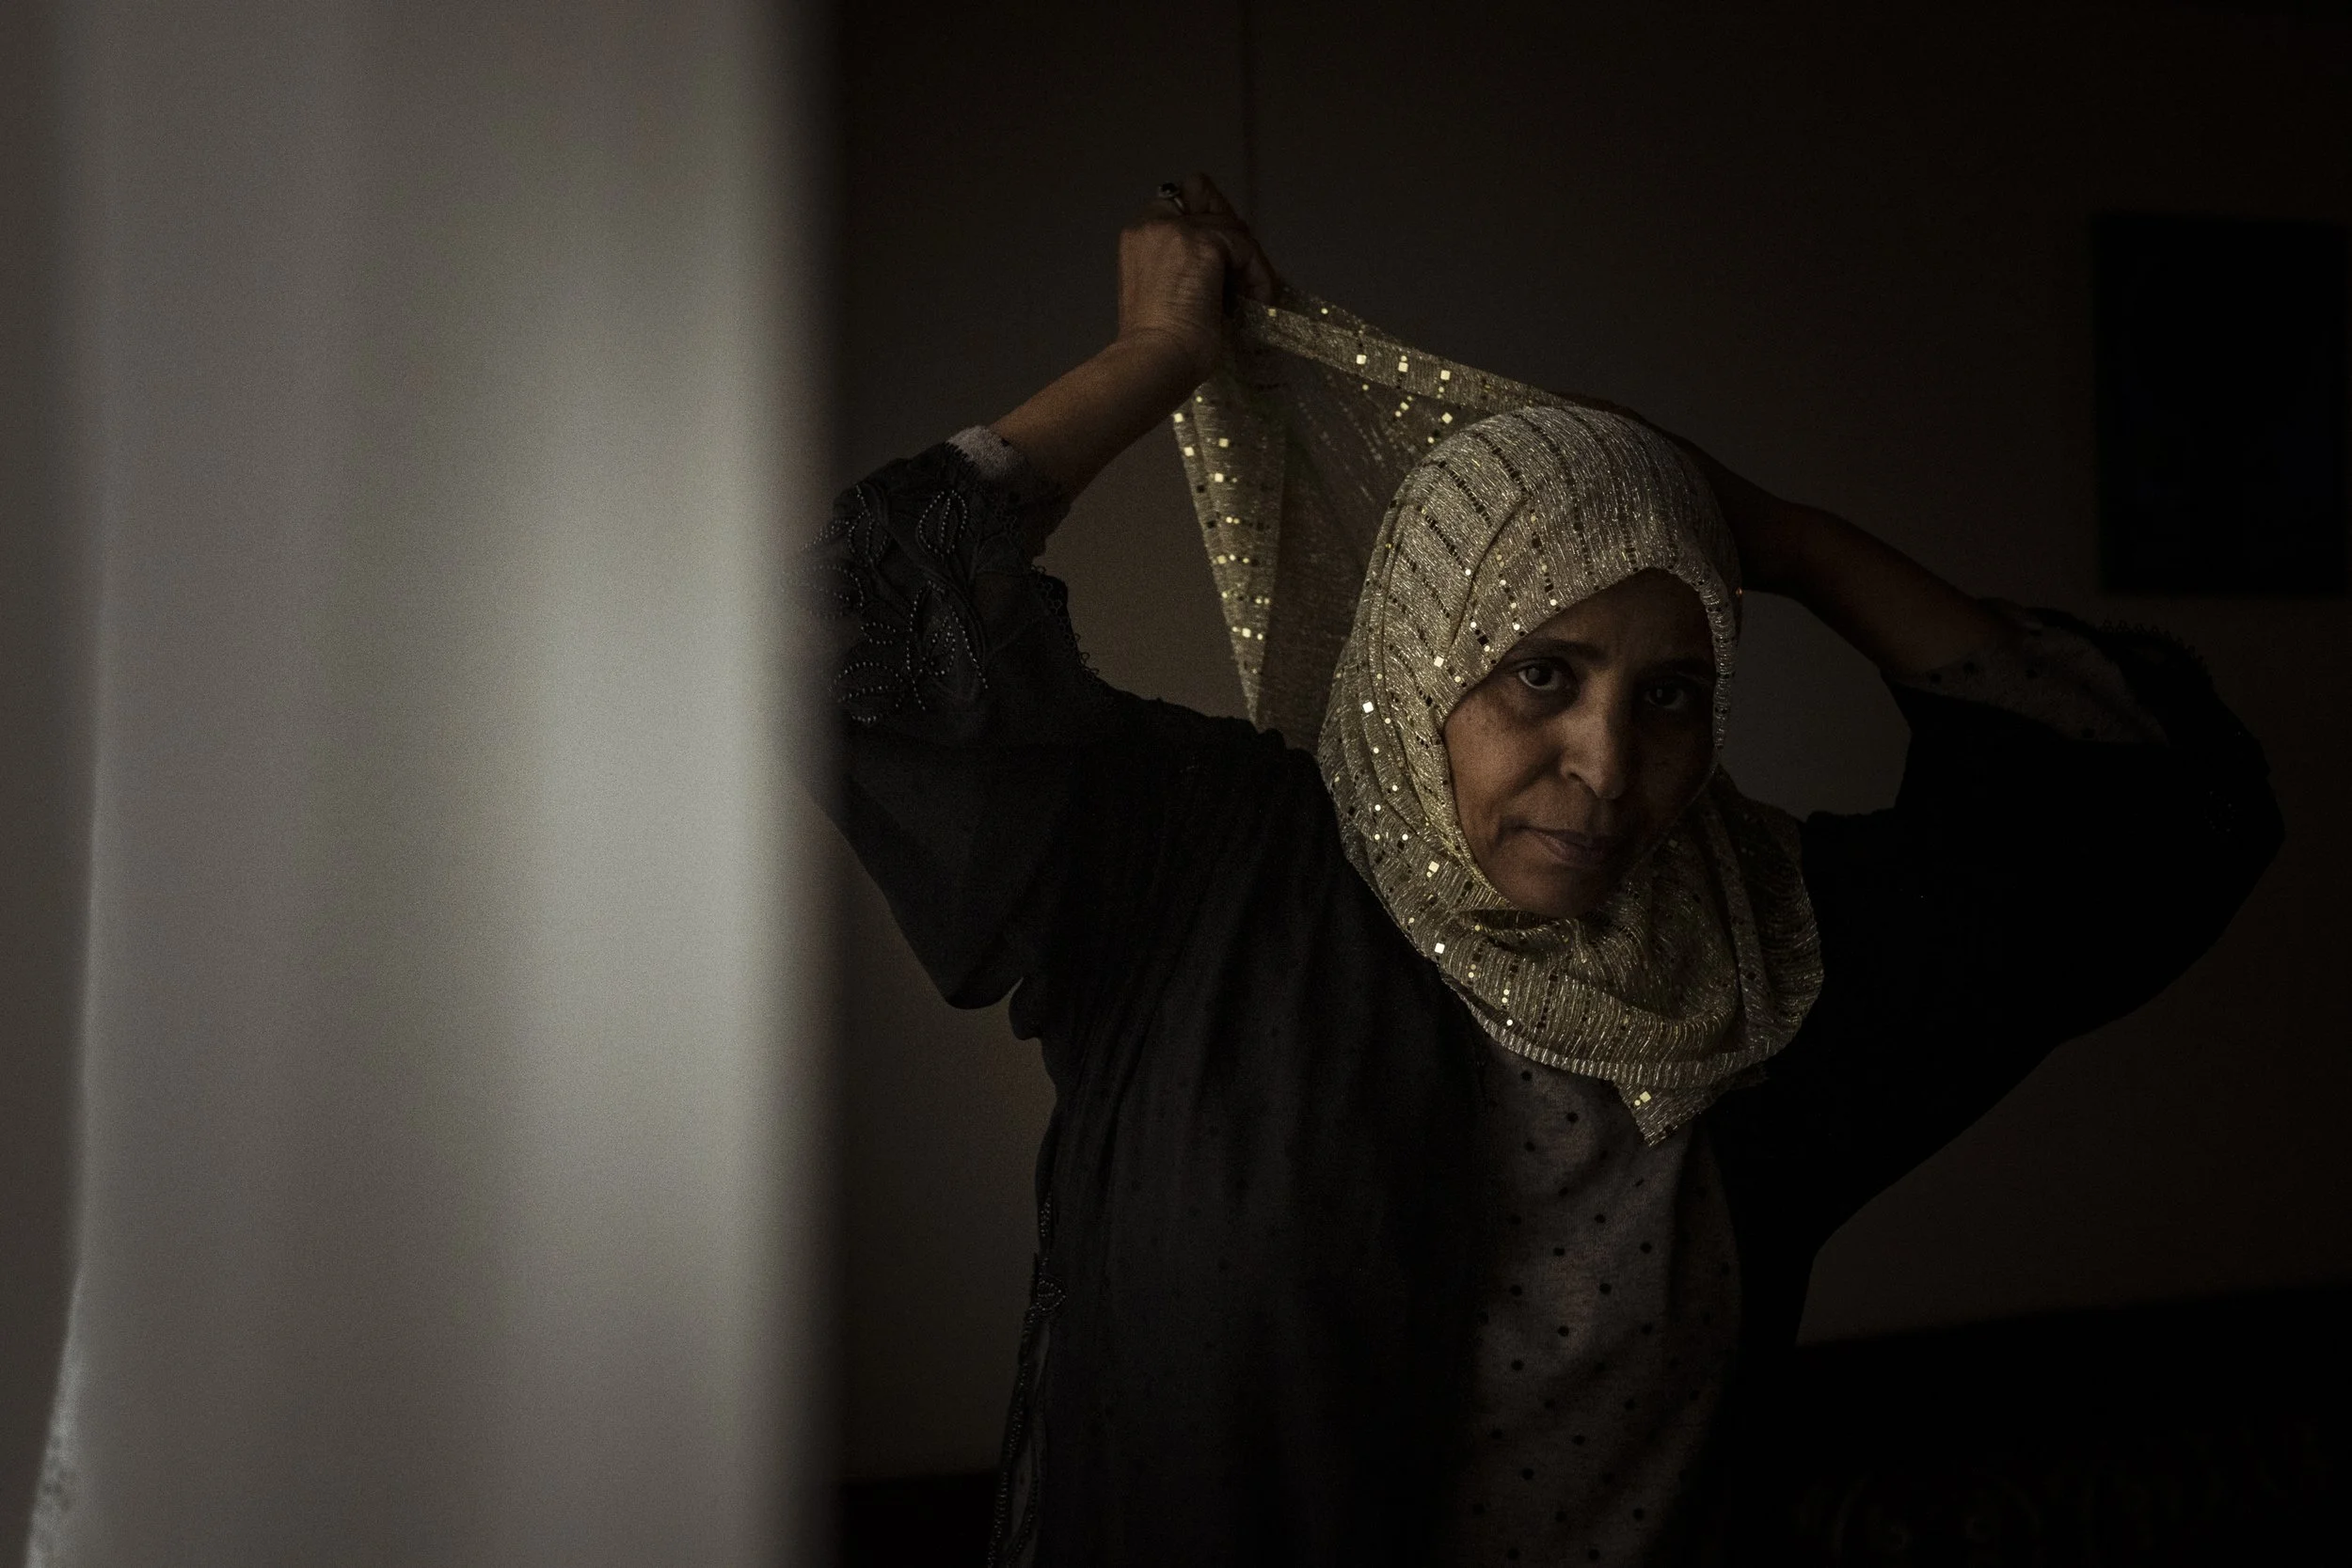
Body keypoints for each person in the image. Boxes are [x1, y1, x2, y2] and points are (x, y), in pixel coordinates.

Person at [808, 174, 2281, 1566]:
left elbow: (2146, 826)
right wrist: (1157, 353)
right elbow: (850, 626)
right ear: (1417, 660)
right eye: (1542, 672)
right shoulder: (1201, 871)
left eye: (1673, 692)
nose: (1608, 764)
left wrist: (1781, 537)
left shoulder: (1769, 965)